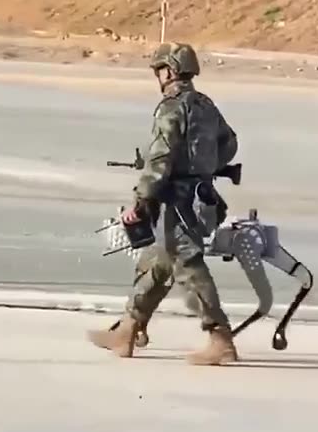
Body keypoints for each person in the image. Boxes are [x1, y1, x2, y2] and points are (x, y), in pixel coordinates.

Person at [88, 42, 239, 365]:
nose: (158, 76)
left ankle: (220, 337)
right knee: (156, 264)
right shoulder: (206, 105)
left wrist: (142, 200)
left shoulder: (171, 107)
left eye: (159, 70)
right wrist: (203, 165)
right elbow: (229, 144)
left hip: (178, 203)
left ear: (169, 71)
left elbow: (159, 159)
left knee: (187, 264)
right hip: (202, 198)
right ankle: (127, 330)